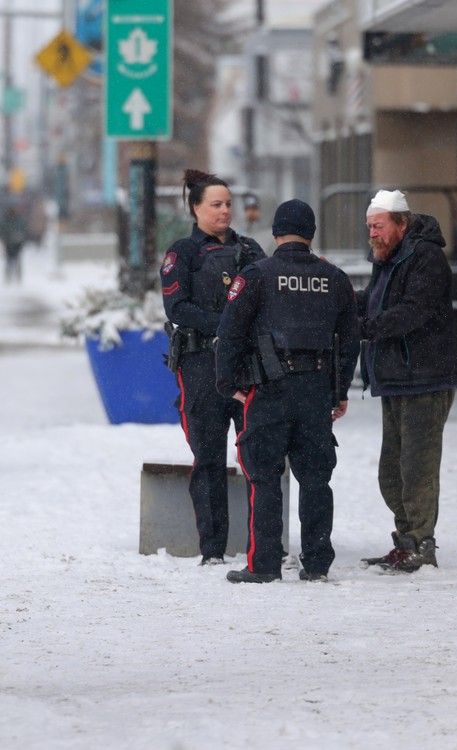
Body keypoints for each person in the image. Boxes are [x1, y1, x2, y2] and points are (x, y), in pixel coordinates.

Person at [215, 199, 359, 583]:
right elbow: (349, 341)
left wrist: (228, 384)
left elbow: (229, 334)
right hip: (315, 391)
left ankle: (263, 564)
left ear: (276, 232)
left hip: (270, 388)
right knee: (315, 478)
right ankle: (315, 563)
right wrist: (339, 390)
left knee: (263, 477)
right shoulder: (335, 278)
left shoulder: (256, 276)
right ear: (311, 233)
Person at [160, 169, 266, 565]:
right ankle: (212, 549)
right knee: (207, 458)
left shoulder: (251, 251)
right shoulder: (182, 253)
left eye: (228, 204)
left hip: (246, 365)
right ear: (195, 208)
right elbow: (177, 308)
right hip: (201, 364)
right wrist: (227, 325)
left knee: (256, 454)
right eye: (215, 205)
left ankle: (264, 544)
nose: (224, 212)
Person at [357, 189, 457, 572]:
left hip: (425, 377)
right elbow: (374, 300)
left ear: (401, 223)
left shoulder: (426, 258)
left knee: (416, 468)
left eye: (379, 226)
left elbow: (412, 311)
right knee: (392, 471)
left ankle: (421, 542)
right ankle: (406, 539)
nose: (373, 233)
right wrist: (342, 300)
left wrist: (365, 327)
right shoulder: (385, 259)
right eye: (370, 226)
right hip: (396, 377)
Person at [0, 204, 28, 284]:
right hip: (11, 243)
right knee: (12, 261)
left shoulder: (16, 220)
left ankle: (14, 277)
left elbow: (23, 231)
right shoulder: (9, 220)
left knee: (14, 261)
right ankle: (11, 277)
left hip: (15, 243)